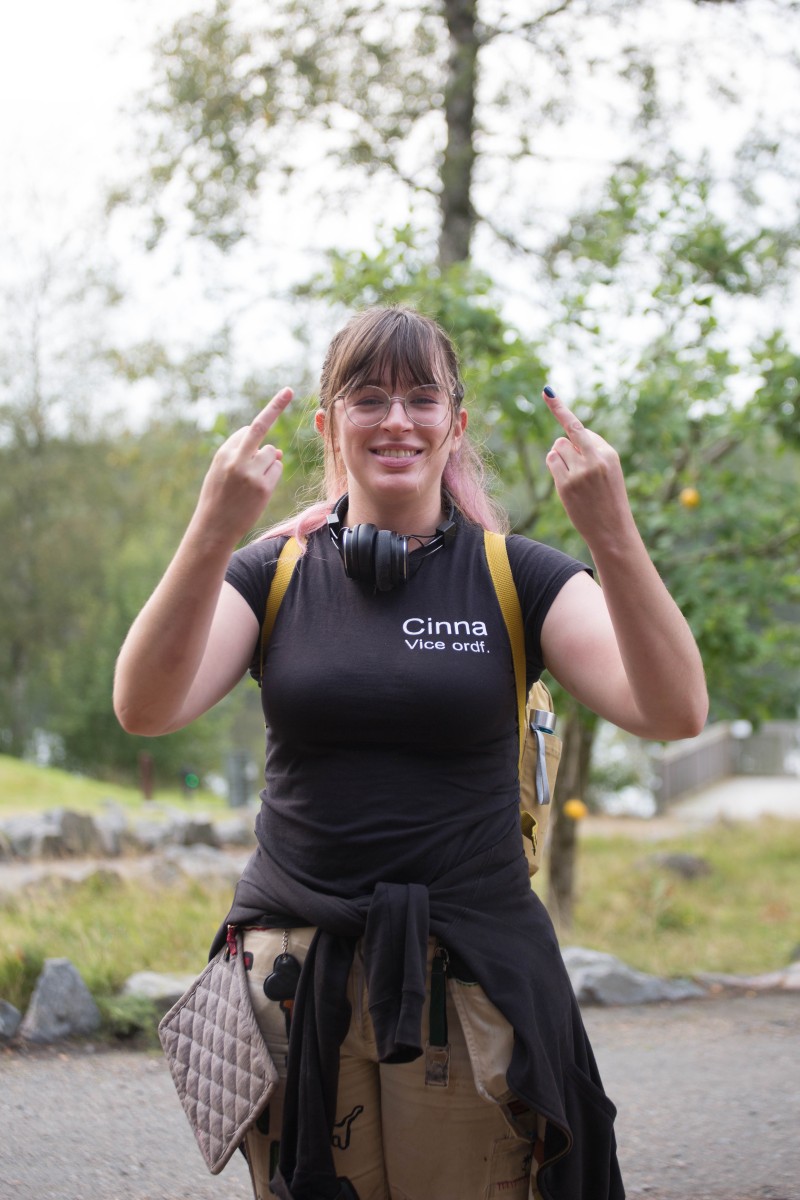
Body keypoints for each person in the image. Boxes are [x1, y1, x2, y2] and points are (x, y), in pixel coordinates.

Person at [113, 305, 707, 1200]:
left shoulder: (519, 576)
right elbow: (145, 707)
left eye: (422, 398)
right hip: (294, 980)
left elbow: (675, 710)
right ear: (328, 425)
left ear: (455, 425)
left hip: (469, 981)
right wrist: (214, 526)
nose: (397, 420)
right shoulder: (272, 572)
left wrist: (611, 530)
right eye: (369, 398)